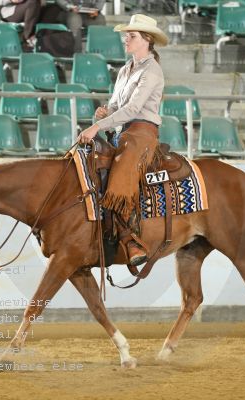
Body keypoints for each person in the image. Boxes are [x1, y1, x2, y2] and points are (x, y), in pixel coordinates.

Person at [79, 14, 168, 267]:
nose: (125, 39)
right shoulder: (126, 69)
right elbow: (118, 106)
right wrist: (105, 113)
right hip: (122, 131)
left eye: (132, 35)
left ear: (146, 40)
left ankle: (130, 239)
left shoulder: (152, 70)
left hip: (142, 133)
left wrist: (97, 125)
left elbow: (133, 110)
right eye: (126, 35)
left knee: (120, 176)